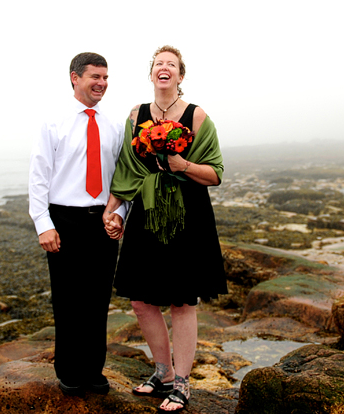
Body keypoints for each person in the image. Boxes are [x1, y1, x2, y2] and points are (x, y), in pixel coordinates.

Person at [103, 45, 227, 412]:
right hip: (146, 212)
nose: (164, 68)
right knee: (141, 300)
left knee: (182, 300)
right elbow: (126, 170)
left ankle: (184, 384)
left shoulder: (198, 116)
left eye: (171, 65)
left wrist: (181, 164)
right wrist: (113, 211)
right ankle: (164, 373)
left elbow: (215, 174)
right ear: (151, 73)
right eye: (159, 63)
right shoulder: (135, 115)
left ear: (180, 76)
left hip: (188, 216)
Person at [29, 52, 128, 397]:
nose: (101, 83)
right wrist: (43, 223)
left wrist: (120, 214)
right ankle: (69, 371)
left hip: (103, 220)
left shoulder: (115, 125)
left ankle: (93, 370)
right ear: (75, 77)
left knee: (97, 299)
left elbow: (123, 177)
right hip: (64, 219)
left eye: (105, 78)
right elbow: (39, 176)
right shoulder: (53, 122)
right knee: (68, 299)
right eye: (94, 77)